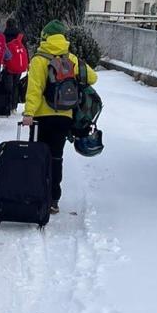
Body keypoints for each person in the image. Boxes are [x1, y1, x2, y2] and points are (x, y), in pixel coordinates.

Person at [22, 19, 97, 213]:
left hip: (41, 118)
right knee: (56, 157)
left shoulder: (39, 59)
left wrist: (29, 113)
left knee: (38, 155)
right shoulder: (71, 58)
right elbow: (93, 77)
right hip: (65, 117)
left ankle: (36, 194)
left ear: (45, 37)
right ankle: (53, 199)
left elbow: (34, 90)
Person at [3, 17, 29, 112]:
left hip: (8, 64)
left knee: (7, 86)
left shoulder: (4, 36)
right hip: (19, 64)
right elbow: (25, 50)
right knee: (16, 85)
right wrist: (28, 63)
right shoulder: (21, 36)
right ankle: (14, 106)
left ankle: (7, 105)